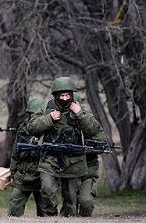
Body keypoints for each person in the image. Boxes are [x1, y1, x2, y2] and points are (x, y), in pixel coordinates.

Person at [27, 77, 101, 217]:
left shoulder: (79, 109)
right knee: (47, 189)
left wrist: (80, 114)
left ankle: (67, 218)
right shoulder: (46, 108)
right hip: (50, 159)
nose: (65, 98)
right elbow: (31, 128)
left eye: (68, 95)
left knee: (70, 200)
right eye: (62, 95)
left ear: (72, 95)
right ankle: (51, 216)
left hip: (74, 161)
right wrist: (49, 118)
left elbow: (94, 130)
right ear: (56, 95)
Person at [8, 97, 46, 217]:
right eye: (32, 115)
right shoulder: (22, 129)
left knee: (45, 212)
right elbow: (15, 153)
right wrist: (13, 173)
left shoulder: (49, 130)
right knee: (15, 207)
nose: (34, 118)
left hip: (41, 175)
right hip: (23, 175)